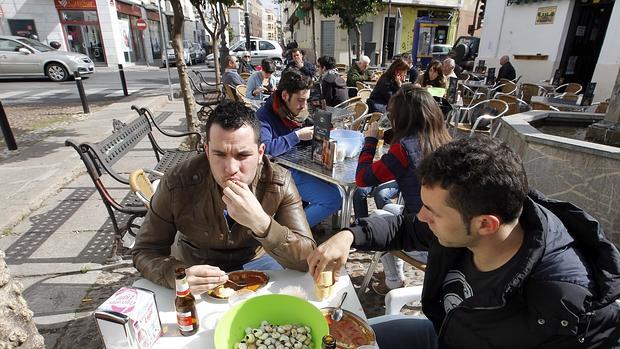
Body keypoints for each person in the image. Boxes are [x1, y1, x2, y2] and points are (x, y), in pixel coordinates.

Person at [307, 136, 620, 349]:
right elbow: (403, 227)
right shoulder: (461, 222)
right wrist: (348, 235)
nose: (423, 217)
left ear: (486, 224)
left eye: (433, 211)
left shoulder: (563, 297)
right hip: (445, 333)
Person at [132, 102, 316, 294]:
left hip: (257, 260)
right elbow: (144, 250)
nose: (231, 169)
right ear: (207, 150)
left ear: (261, 153)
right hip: (196, 264)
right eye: (219, 154)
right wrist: (177, 274)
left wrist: (263, 224)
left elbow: (306, 259)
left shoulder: (279, 182)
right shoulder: (177, 183)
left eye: (243, 155)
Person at [356, 85, 451, 295]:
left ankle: (393, 281)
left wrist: (370, 141)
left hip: (428, 242)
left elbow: (363, 179)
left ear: (402, 118)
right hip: (448, 234)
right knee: (388, 211)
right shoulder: (444, 140)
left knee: (381, 219)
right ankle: (394, 276)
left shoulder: (404, 148)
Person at [257, 68, 342, 228]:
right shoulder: (264, 115)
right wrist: (296, 136)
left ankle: (302, 220)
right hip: (277, 170)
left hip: (299, 164)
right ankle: (288, 234)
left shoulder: (297, 112)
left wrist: (321, 134)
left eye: (306, 100)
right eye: (300, 100)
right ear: (285, 96)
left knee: (338, 188)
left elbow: (305, 135)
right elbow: (266, 149)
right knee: (332, 199)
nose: (304, 106)